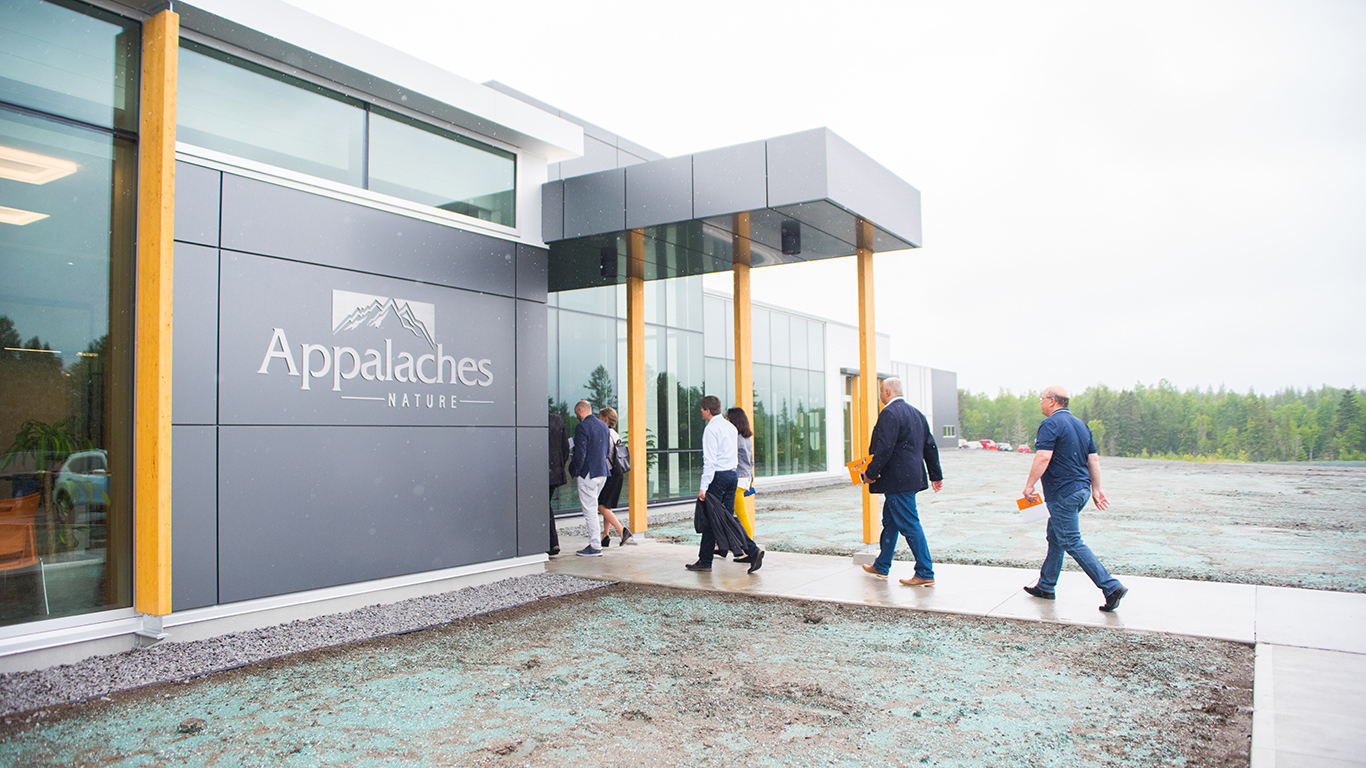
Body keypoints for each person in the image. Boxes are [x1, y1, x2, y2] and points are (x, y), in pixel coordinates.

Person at [1022, 386, 1128, 612]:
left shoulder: (1050, 424)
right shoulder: (1081, 425)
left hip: (1062, 493)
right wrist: (1097, 489)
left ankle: (1111, 586)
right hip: (1081, 490)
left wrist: (1029, 485)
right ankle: (1046, 585)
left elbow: (1043, 456)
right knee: (1055, 536)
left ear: (1052, 401)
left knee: (1070, 540)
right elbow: (1094, 460)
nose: (1040, 403)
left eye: (1042, 399)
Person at [859, 378, 944, 586]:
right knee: (890, 522)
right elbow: (929, 446)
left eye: (881, 391)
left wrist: (870, 473)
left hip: (897, 481)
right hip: (911, 478)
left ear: (887, 392)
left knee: (909, 523)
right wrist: (936, 475)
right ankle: (882, 564)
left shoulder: (889, 413)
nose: (880, 395)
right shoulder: (916, 413)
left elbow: (884, 448)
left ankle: (925, 571)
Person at [687, 395, 764, 573]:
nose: (700, 412)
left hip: (718, 478)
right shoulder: (730, 427)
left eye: (701, 409)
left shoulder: (711, 429)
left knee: (711, 518)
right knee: (725, 519)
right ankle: (708, 559)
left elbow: (710, 461)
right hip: (731, 476)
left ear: (707, 410)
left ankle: (748, 552)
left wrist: (703, 486)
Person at [566, 400, 610, 557]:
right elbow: (606, 451)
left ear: (580, 410)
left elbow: (580, 453)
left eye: (576, 412)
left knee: (590, 510)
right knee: (593, 507)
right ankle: (595, 542)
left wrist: (575, 470)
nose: (576, 415)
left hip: (588, 474)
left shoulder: (582, 427)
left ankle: (595, 546)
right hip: (602, 472)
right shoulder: (604, 426)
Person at [596, 407, 633, 547]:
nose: (599, 420)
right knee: (607, 505)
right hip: (617, 474)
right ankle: (605, 536)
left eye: (600, 417)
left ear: (605, 418)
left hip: (610, 474)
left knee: (600, 506)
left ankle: (622, 530)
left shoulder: (605, 433)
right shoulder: (615, 434)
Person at [547, 411, 570, 556]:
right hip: (554, 472)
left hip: (538, 472)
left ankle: (551, 543)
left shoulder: (532, 419)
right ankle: (552, 543)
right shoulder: (557, 419)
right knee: (545, 505)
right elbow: (565, 447)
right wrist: (559, 466)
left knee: (543, 506)